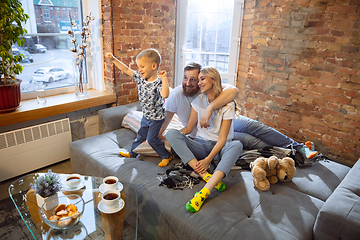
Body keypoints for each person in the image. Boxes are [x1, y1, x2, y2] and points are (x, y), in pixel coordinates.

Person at [160, 62, 317, 160]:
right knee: (250, 140)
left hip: (227, 122)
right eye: (185, 78)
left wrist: (210, 107)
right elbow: (166, 120)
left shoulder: (208, 88)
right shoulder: (176, 95)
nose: (189, 83)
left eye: (194, 79)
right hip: (207, 134)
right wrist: (156, 136)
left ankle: (298, 147)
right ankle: (289, 155)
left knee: (254, 126)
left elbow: (233, 90)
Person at [166, 66, 243, 213]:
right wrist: (170, 138)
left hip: (219, 149)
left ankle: (204, 193)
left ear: (213, 80)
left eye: (202, 79)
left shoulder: (228, 104)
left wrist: (207, 160)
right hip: (200, 145)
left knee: (237, 145)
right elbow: (188, 129)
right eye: (198, 80)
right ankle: (204, 174)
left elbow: (222, 139)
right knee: (171, 133)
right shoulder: (198, 100)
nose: (198, 83)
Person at [106, 49, 173, 167]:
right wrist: (113, 59)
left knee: (151, 139)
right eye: (138, 67)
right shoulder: (140, 78)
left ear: (153, 66)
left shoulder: (158, 83)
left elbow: (165, 95)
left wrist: (164, 78)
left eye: (142, 66)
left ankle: (166, 156)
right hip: (146, 115)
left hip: (157, 118)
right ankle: (132, 153)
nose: (139, 69)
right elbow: (126, 69)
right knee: (140, 136)